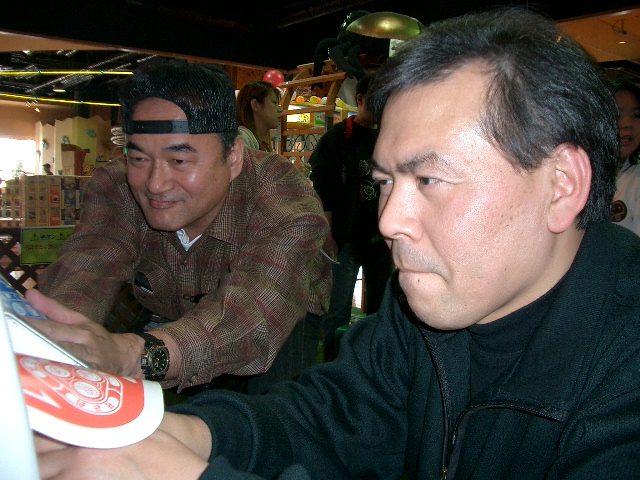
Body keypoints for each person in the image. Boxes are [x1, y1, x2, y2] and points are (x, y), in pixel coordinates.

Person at [35, 8, 640, 479]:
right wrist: (174, 433)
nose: (389, 220)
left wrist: (189, 472)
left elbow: (253, 313)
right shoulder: (423, 313)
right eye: (386, 182)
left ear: (561, 185)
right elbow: (328, 417)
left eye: (430, 180)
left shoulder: (624, 365)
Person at [25, 59, 331, 395]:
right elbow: (89, 264)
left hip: (278, 319)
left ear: (233, 157)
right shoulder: (118, 187)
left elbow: (253, 310)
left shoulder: (281, 195)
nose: (155, 184)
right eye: (139, 158)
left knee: (274, 411)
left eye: (179, 160)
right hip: (174, 316)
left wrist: (131, 357)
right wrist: (60, 338)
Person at [309, 72, 393, 361]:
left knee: (381, 307)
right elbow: (324, 187)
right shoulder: (338, 138)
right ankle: (333, 366)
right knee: (338, 308)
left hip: (380, 235)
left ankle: (373, 364)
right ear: (360, 100)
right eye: (376, 101)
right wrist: (328, 234)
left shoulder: (387, 137)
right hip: (346, 235)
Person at [611, 78, 640, 236]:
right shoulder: (579, 172)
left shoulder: (636, 179)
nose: (627, 124)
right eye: (617, 114)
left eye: (636, 115)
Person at [236, 80, 282, 151]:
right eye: (274, 102)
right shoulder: (242, 138)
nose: (280, 109)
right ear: (255, 105)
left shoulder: (260, 143)